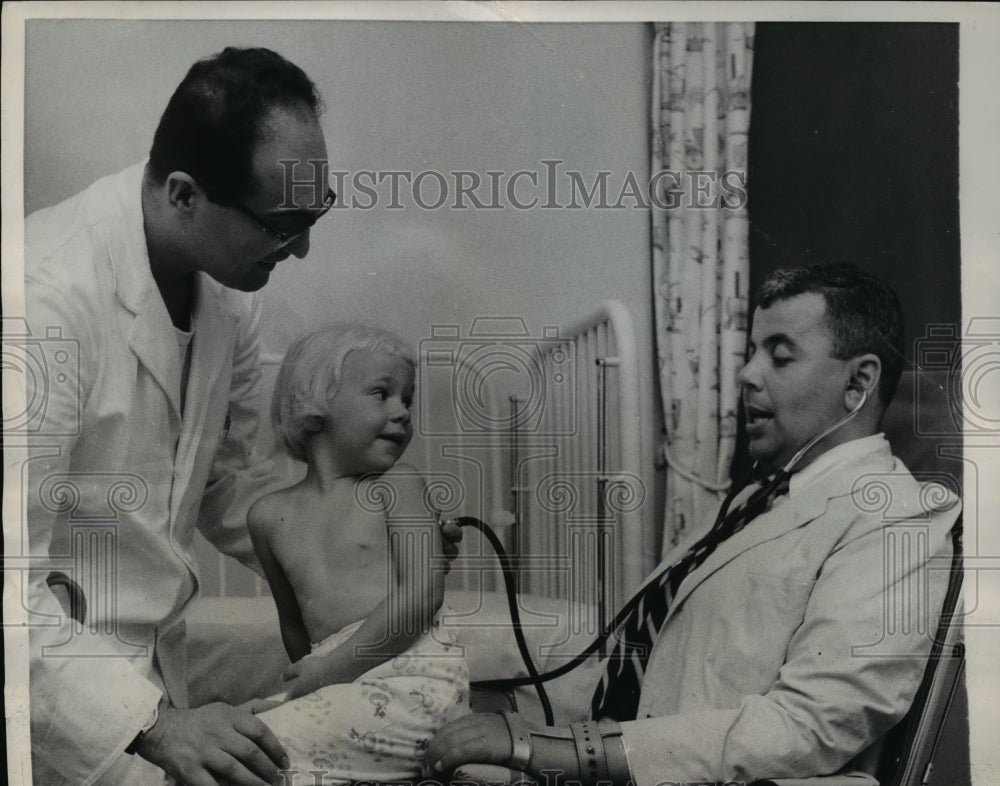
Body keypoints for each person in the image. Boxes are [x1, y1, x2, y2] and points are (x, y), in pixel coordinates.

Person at [424, 263, 961, 785]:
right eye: (752, 353)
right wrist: (499, 706)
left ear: (859, 381)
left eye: (779, 356)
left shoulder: (895, 518)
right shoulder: (756, 498)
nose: (747, 374)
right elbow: (650, 662)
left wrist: (547, 749)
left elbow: (815, 724)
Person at [23, 47, 335, 786]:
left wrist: (346, 548)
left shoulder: (230, 295)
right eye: (283, 224)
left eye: (316, 214)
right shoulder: (40, 301)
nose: (305, 248)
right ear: (185, 194)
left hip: (149, 677)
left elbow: (221, 482)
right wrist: (154, 724)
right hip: (51, 695)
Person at [247, 323, 470, 781]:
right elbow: (296, 628)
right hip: (341, 681)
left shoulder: (399, 486)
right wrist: (308, 683)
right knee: (233, 735)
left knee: (250, 747)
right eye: (381, 394)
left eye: (407, 399)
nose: (403, 412)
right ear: (314, 404)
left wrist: (324, 675)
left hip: (412, 678)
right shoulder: (268, 516)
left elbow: (421, 598)